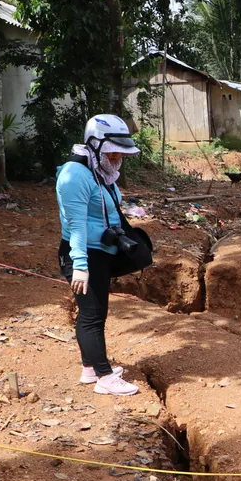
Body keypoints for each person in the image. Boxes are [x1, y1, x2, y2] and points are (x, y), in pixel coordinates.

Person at [56, 114, 140, 396]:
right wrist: (80, 265)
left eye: (121, 151)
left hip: (99, 252)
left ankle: (90, 369)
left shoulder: (99, 172)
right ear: (95, 145)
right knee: (91, 315)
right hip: (82, 254)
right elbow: (76, 223)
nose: (118, 157)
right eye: (112, 151)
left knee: (96, 313)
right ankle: (104, 377)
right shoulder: (75, 175)